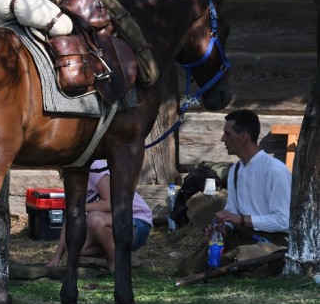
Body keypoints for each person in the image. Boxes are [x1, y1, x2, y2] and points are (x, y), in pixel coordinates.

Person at [176, 109, 291, 276]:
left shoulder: (276, 171)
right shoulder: (236, 170)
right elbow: (233, 213)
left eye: (227, 134)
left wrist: (242, 219)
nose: (223, 139)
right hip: (242, 235)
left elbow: (284, 221)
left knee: (228, 267)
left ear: (243, 137)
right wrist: (223, 227)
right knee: (188, 268)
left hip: (272, 241)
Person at [47, 159, 153, 270]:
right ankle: (120, 256)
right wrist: (57, 257)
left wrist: (80, 207)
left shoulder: (95, 166)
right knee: (73, 244)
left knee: (95, 219)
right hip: (111, 225)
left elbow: (110, 204)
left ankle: (118, 263)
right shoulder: (71, 178)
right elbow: (71, 217)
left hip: (136, 222)